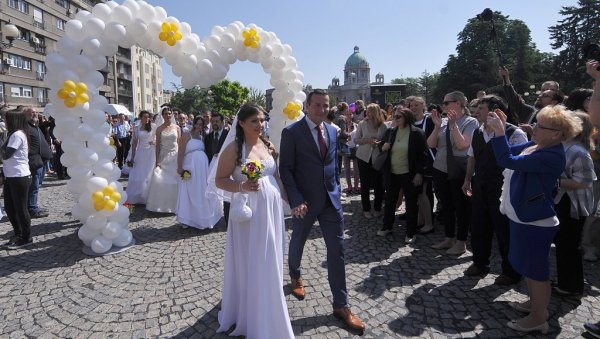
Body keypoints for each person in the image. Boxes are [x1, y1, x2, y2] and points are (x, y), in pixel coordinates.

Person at [487, 105, 581, 334]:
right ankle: (534, 305)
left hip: (535, 220)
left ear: (557, 133)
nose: (533, 127)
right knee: (527, 267)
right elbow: (505, 150)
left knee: (537, 272)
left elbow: (505, 159)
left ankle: (539, 318)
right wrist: (502, 127)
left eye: (540, 125)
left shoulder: (551, 154)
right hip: (523, 216)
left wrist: (500, 132)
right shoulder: (537, 144)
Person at [280, 89, 365, 334]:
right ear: (307, 106)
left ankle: (342, 304)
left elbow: (331, 165)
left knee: (337, 251)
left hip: (331, 202)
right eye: (317, 105)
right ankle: (295, 274)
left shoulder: (332, 130)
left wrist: (336, 189)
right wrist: (295, 199)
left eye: (325, 105)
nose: (322, 109)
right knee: (298, 241)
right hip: (304, 203)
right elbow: (285, 169)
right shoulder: (291, 133)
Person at [213, 103, 293, 339]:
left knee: (271, 255)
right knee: (254, 258)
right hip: (248, 213)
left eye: (261, 120)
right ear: (241, 123)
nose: (260, 124)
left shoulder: (267, 145)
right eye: (254, 121)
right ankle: (251, 312)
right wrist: (241, 186)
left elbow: (275, 174)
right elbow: (219, 180)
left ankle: (269, 300)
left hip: (271, 210)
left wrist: (288, 198)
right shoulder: (234, 149)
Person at [461, 95, 527, 285]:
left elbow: (519, 165)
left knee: (504, 230)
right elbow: (472, 157)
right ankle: (480, 263)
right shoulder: (478, 132)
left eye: (481, 108)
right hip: (480, 185)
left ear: (495, 111)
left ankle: (511, 271)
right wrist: (467, 179)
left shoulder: (515, 134)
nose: (477, 111)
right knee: (479, 227)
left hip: (503, 189)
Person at [427, 91, 478, 255]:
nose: (443, 106)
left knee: (461, 206)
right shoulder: (441, 122)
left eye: (446, 103)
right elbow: (430, 143)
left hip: (459, 169)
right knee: (446, 205)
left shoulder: (471, 122)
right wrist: (436, 127)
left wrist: (453, 125)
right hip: (441, 168)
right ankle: (449, 238)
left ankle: (461, 242)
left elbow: (463, 145)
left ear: (458, 103)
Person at [552, 111, 596, 299]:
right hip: (563, 200)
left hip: (573, 204)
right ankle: (565, 282)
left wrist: (556, 182)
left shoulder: (578, 151)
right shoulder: (565, 146)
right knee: (563, 244)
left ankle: (573, 287)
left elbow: (585, 181)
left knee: (569, 245)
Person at [377, 108, 427, 243]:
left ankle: (411, 233)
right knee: (390, 201)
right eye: (394, 116)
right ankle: (387, 226)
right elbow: (381, 146)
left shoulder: (417, 133)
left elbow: (423, 156)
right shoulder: (390, 131)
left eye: (399, 116)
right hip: (392, 173)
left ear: (407, 117)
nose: (395, 119)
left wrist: (419, 173)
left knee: (411, 204)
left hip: (409, 174)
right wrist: (383, 147)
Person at [176, 116, 222, 229]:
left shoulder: (202, 138)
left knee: (201, 191)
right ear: (194, 123)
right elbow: (180, 152)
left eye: (201, 124)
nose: (198, 126)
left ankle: (201, 216)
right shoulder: (187, 135)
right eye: (197, 123)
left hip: (202, 168)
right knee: (189, 191)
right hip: (190, 166)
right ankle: (187, 218)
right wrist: (180, 167)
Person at [2, 109, 32, 249]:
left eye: (6, 119)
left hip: (19, 176)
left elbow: (6, 155)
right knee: (9, 208)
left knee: (20, 209)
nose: (5, 122)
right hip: (11, 176)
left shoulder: (17, 135)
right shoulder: (12, 134)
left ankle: (26, 237)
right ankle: (18, 233)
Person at [354, 103, 387, 219]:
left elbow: (386, 141)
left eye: (370, 111)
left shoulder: (383, 126)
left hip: (377, 157)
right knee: (365, 183)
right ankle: (366, 208)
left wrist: (379, 143)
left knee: (378, 184)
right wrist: (367, 140)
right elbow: (356, 140)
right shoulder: (362, 124)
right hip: (363, 157)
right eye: (367, 111)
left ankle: (377, 208)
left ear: (376, 112)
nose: (368, 113)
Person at [145, 108, 180, 213]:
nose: (168, 116)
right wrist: (157, 160)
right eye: (165, 114)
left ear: (172, 115)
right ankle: (163, 205)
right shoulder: (159, 129)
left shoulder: (177, 127)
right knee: (162, 180)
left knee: (176, 181)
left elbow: (179, 142)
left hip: (175, 155)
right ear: (162, 116)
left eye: (169, 114)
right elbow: (158, 146)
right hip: (164, 155)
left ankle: (176, 205)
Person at [24, 107, 51, 218]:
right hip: (34, 161)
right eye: (32, 112)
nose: (35, 114)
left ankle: (32, 206)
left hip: (42, 160)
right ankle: (32, 209)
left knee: (37, 185)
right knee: (34, 186)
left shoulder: (35, 125)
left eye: (35, 112)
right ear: (25, 115)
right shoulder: (25, 127)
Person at [125, 111, 156, 204]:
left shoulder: (153, 127)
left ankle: (148, 195)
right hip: (141, 152)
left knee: (148, 173)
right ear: (141, 118)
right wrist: (132, 157)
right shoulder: (136, 128)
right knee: (138, 173)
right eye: (145, 117)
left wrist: (154, 142)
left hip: (150, 152)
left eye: (148, 117)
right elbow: (134, 143)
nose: (147, 119)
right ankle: (138, 195)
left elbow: (157, 138)